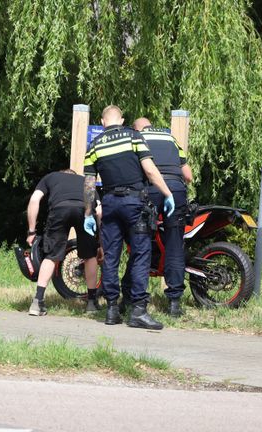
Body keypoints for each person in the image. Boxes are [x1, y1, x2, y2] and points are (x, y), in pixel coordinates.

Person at [83, 105, 174, 329]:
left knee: (111, 257)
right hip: (135, 203)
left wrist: (88, 214)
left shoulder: (93, 146)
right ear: (122, 120)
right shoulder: (134, 137)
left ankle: (112, 309)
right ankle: (138, 311)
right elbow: (150, 170)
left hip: (110, 204)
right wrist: (168, 194)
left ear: (103, 122)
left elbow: (88, 184)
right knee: (141, 254)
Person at [120, 117, 193, 317]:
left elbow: (133, 171)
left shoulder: (137, 137)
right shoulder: (171, 138)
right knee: (175, 244)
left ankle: (130, 297)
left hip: (151, 189)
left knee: (140, 243)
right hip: (176, 189)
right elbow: (188, 175)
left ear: (136, 128)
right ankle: (175, 303)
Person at [26, 169, 102, 316]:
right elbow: (99, 211)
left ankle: (37, 302)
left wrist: (31, 231)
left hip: (59, 209)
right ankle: (91, 304)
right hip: (85, 210)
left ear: (62, 174)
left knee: (52, 255)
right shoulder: (87, 180)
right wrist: (99, 241)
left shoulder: (51, 176)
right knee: (90, 256)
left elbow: (34, 200)